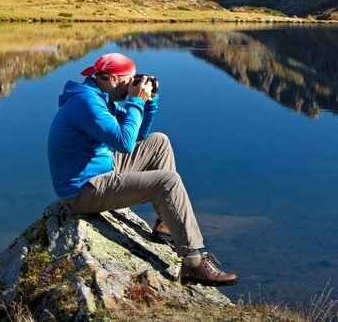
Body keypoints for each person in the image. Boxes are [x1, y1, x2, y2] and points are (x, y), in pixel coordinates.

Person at [46, 52, 237, 286]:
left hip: (99, 171)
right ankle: (193, 263)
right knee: (168, 182)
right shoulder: (86, 102)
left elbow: (138, 136)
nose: (133, 87)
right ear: (111, 79)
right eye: (130, 81)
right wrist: (136, 101)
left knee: (158, 142)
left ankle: (165, 223)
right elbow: (124, 143)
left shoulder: (99, 96)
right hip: (82, 191)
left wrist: (149, 102)